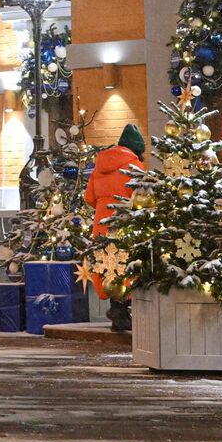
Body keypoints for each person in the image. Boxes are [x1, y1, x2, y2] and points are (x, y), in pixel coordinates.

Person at [86, 123, 146, 332]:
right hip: (124, 220)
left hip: (101, 222)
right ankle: (121, 310)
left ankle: (116, 308)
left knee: (106, 263)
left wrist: (104, 205)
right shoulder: (135, 166)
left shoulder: (99, 164)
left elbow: (89, 197)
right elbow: (141, 198)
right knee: (125, 263)